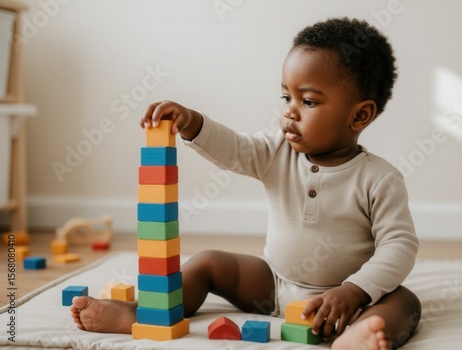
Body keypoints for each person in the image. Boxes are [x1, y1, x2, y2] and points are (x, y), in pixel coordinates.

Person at [70, 17, 421, 349]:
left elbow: (399, 246)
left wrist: (355, 291)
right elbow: (235, 149)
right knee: (208, 262)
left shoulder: (379, 178)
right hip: (273, 285)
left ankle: (358, 336)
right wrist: (191, 122)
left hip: (343, 300)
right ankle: (145, 313)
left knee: (404, 302)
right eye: (287, 97)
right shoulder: (276, 153)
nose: (290, 111)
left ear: (359, 115)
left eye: (308, 101)